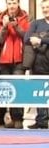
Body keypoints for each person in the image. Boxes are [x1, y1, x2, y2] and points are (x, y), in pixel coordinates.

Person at [0, 0, 30, 128]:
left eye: (14, 3)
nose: (12, 6)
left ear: (18, 3)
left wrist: (16, 26)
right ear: (6, 4)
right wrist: (5, 27)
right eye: (9, 3)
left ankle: (18, 118)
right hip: (4, 60)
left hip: (19, 59)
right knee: (6, 89)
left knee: (18, 88)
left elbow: (27, 37)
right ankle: (7, 118)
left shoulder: (26, 18)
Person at [25, 0, 49, 129]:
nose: (46, 9)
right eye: (44, 7)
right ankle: (42, 121)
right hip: (39, 63)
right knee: (41, 91)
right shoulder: (36, 23)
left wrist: (41, 40)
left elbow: (37, 40)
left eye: (48, 7)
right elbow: (27, 39)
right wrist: (35, 40)